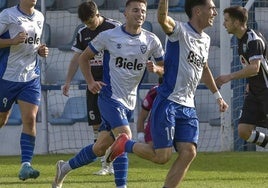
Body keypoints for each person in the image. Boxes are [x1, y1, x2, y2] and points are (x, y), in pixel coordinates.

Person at [105, 0, 229, 187]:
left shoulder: (206, 39)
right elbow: (162, 18)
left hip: (188, 106)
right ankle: (124, 143)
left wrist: (217, 96)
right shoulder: (179, 31)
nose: (215, 13)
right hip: (169, 102)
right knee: (162, 156)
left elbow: (204, 68)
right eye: (211, 8)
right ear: (197, 11)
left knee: (189, 152)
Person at [52, 0, 164, 188]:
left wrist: (158, 69)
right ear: (125, 13)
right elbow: (83, 57)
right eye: (135, 10)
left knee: (100, 147)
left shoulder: (152, 40)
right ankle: (121, 185)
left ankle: (65, 167)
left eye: (143, 11)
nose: (140, 14)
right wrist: (90, 82)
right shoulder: (109, 36)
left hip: (129, 101)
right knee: (124, 137)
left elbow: (165, 67)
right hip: (109, 97)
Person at [61, 0, 121, 176]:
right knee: (96, 124)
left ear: (97, 14)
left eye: (91, 21)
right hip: (92, 83)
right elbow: (76, 59)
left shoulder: (113, 27)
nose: (89, 25)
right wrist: (67, 81)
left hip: (112, 84)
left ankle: (112, 164)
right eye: (86, 23)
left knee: (113, 125)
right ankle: (105, 164)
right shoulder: (82, 33)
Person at [0, 0, 49, 181]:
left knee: (30, 119)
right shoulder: (7, 15)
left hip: (30, 77)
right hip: (7, 77)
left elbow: (34, 44)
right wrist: (12, 41)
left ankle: (26, 165)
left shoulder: (40, 16)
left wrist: (40, 50)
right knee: (2, 119)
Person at [216, 6, 268, 148]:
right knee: (244, 131)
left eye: (226, 20)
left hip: (265, 90)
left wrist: (229, 77)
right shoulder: (241, 40)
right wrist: (250, 82)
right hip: (254, 92)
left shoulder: (253, 39)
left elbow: (255, 67)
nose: (223, 24)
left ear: (237, 22)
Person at [136, 77, 163, 146]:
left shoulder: (178, 91)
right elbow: (142, 116)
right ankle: (127, 145)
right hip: (154, 127)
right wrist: (140, 134)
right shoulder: (153, 93)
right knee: (155, 153)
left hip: (172, 125)